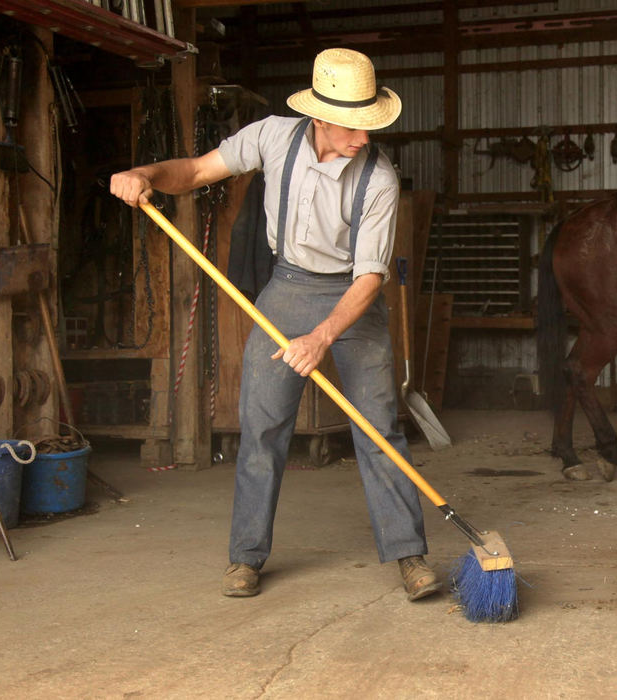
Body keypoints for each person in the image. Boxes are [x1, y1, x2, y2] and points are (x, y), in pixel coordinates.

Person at [110, 48, 438, 601]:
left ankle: (409, 554)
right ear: (320, 116)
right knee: (260, 427)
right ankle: (245, 558)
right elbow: (191, 172)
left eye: (370, 123)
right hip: (286, 289)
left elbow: (368, 279)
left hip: (352, 298)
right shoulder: (271, 137)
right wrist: (143, 174)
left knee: (379, 426)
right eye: (353, 125)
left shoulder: (378, 177)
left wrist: (321, 337)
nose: (364, 136)